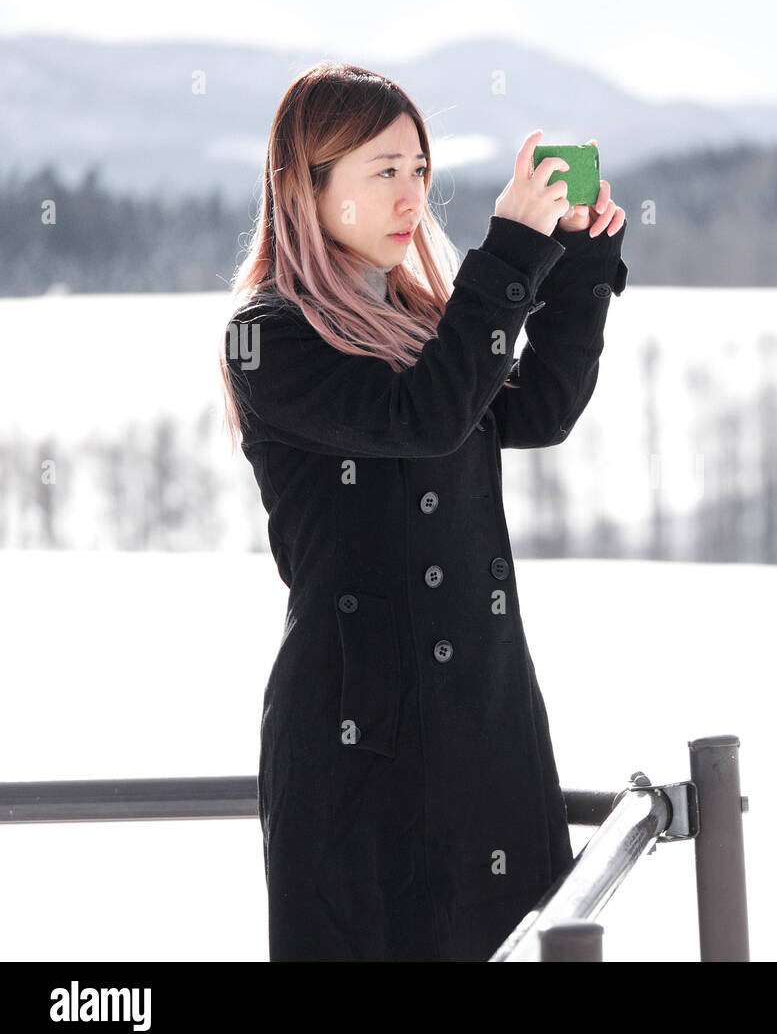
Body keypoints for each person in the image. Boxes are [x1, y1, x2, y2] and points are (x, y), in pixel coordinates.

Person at [217, 62, 628, 961]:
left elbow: (540, 409)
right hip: (360, 743)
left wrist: (580, 261)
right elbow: (425, 417)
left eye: (420, 170)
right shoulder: (267, 335)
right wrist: (512, 250)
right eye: (383, 170)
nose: (411, 195)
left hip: (486, 721)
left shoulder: (423, 322)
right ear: (307, 185)